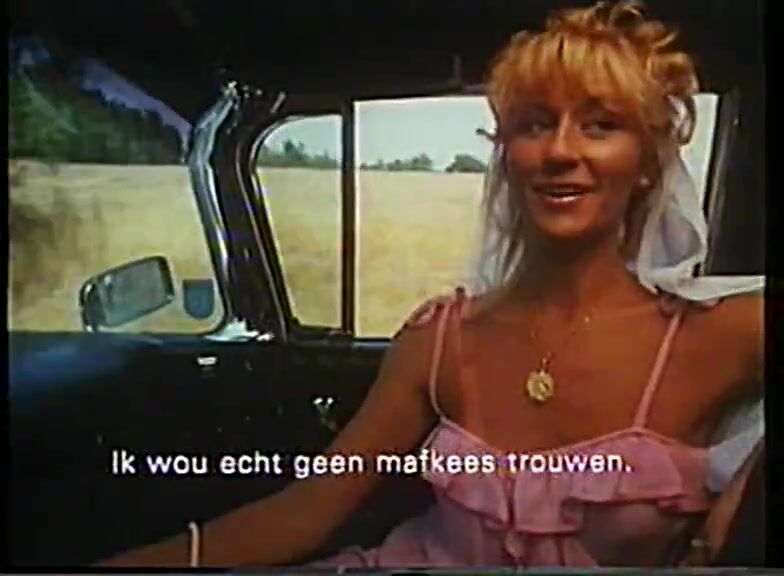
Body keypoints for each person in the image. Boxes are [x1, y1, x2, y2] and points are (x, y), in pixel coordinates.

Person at [101, 0, 764, 568]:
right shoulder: (438, 339)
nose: (561, 151)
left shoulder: (713, 335)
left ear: (647, 162)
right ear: (507, 154)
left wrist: (743, 498)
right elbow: (307, 510)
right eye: (535, 124)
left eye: (600, 125)